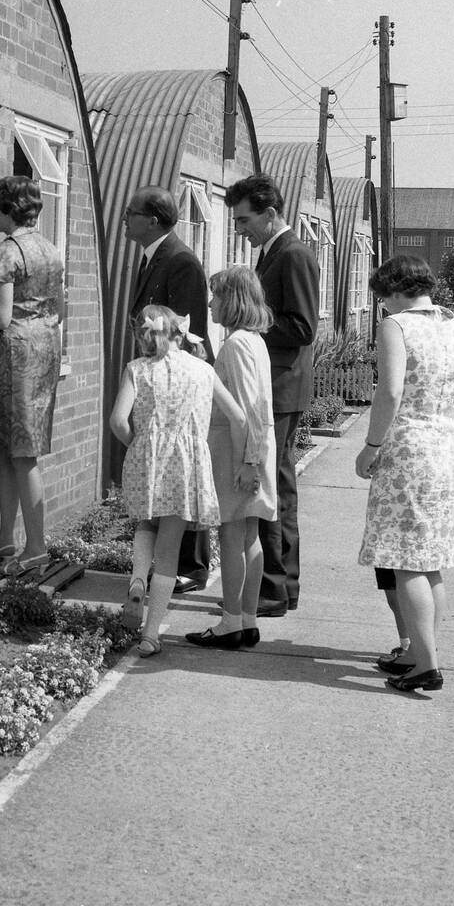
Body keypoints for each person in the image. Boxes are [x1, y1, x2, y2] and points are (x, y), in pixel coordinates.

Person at [355, 254, 454, 693]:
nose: (383, 305)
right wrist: (439, 414)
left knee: (403, 560)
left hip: (406, 453)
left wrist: (371, 446)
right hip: (447, 450)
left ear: (397, 291)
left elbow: (391, 391)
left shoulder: (397, 326)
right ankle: (420, 652)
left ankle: (426, 665)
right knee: (430, 560)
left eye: (384, 296)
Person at [111, 306, 247, 657]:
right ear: (179, 333)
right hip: (187, 467)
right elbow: (236, 415)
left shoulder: (137, 369)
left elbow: (117, 421)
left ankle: (138, 578)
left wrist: (139, 445)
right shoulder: (202, 369)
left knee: (146, 521)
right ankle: (151, 634)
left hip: (147, 459)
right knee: (169, 553)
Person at [0, 175, 65, 575]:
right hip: (44, 349)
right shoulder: (49, 249)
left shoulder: (7, 252)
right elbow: (58, 311)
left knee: (20, 452)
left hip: (16, 356)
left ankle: (35, 546)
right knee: (6, 448)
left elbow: (0, 317)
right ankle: (5, 539)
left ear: (8, 208)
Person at [225, 175, 319, 617]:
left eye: (244, 219)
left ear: (269, 212)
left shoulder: (293, 254)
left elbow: (302, 329)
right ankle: (280, 586)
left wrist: (249, 322)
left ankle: (276, 588)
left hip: (280, 388)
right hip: (274, 384)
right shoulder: (271, 252)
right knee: (276, 485)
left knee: (272, 487)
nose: (239, 228)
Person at [123, 184, 214, 594]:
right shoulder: (152, 256)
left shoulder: (180, 262)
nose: (126, 218)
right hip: (160, 376)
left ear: (153, 220)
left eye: (132, 212)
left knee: (181, 467)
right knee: (170, 477)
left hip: (178, 382)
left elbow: (187, 331)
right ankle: (172, 563)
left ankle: (191, 566)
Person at [185, 265, 278, 651]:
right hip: (253, 449)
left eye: (216, 296)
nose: (210, 303)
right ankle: (247, 619)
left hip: (238, 451)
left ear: (233, 300)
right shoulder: (252, 340)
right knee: (249, 537)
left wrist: (247, 463)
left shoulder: (237, 344)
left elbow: (247, 407)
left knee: (232, 535)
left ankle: (231, 623)